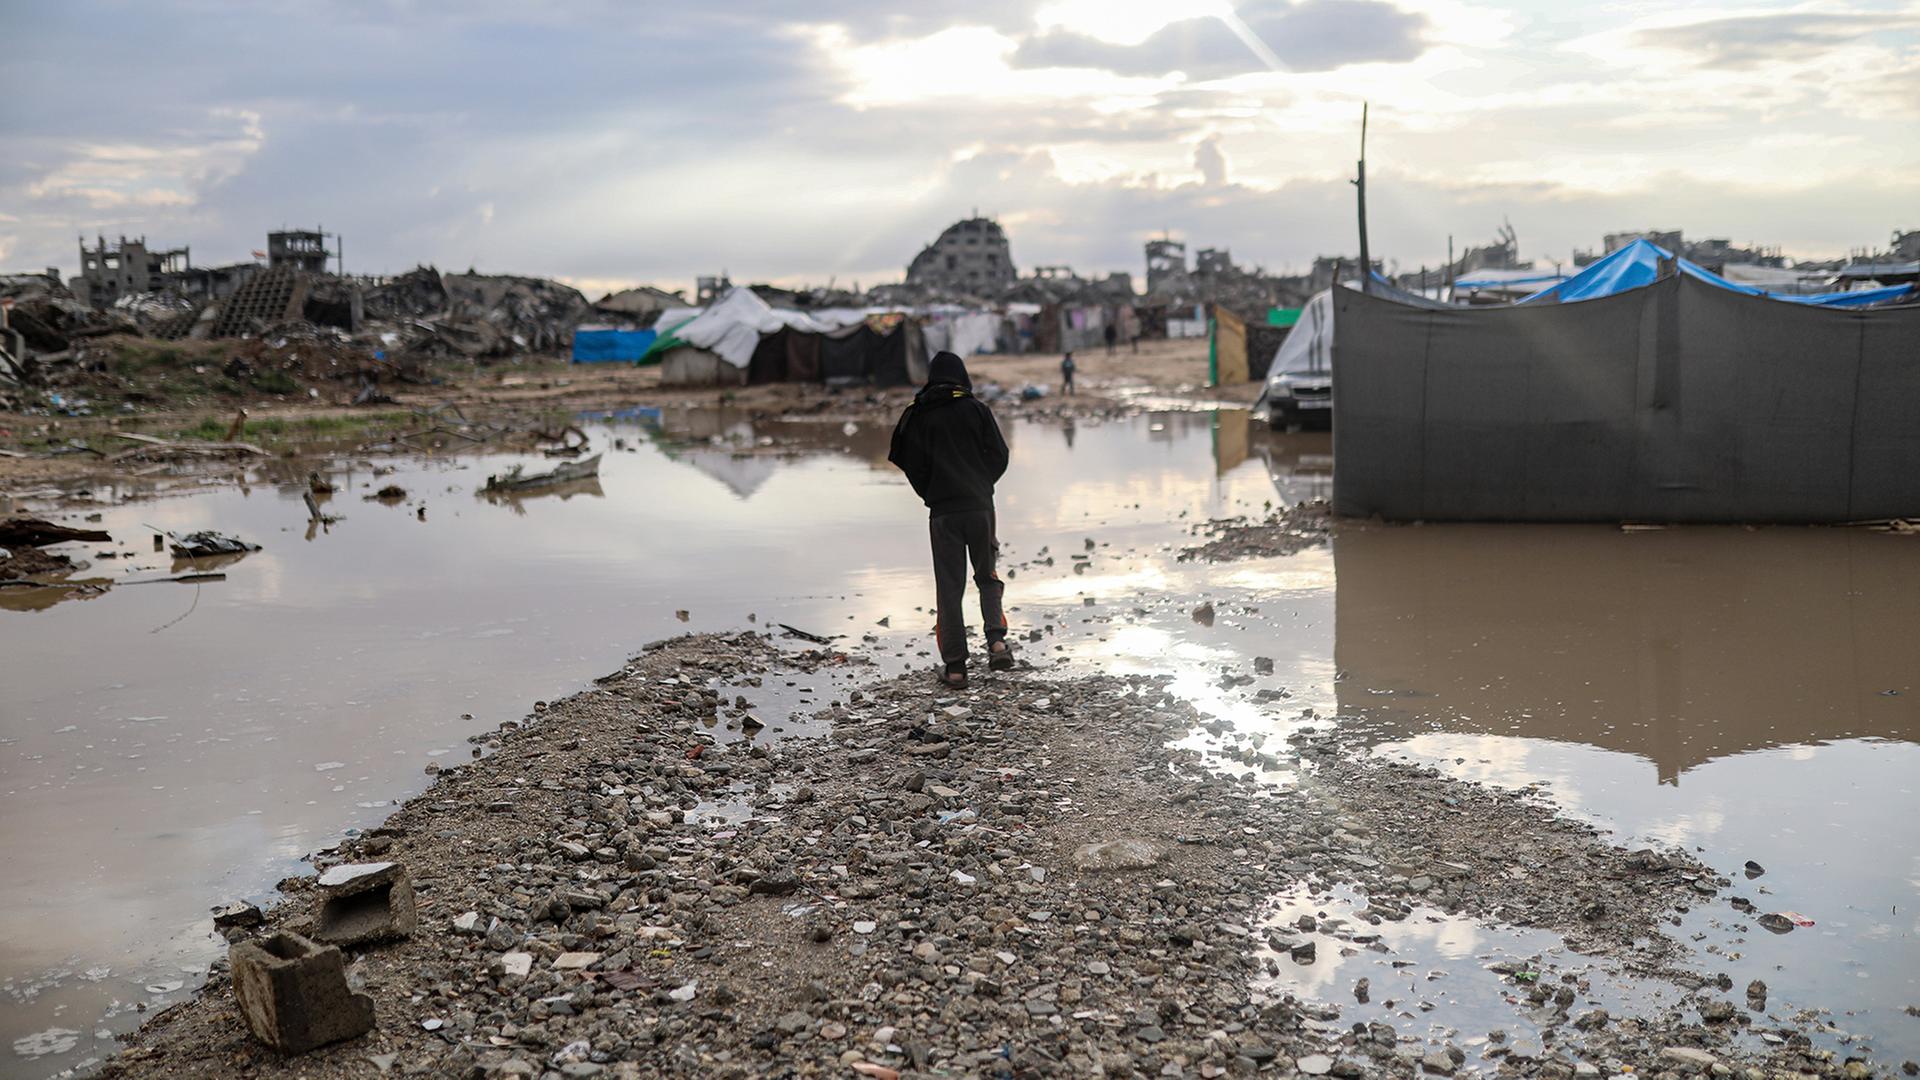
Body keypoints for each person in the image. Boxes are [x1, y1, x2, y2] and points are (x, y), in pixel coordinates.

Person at [887, 351, 1013, 688]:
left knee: (949, 588)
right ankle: (997, 644)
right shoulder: (976, 409)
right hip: (980, 508)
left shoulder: (918, 414)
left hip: (943, 513)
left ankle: (956, 669)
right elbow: (1000, 456)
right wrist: (981, 485)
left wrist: (930, 491)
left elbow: (905, 459)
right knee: (987, 575)